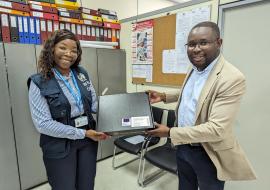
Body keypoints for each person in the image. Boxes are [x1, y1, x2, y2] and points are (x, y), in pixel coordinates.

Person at [147, 21, 256, 190]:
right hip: (182, 146)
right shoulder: (195, 67)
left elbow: (216, 129)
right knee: (185, 186)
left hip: (208, 152)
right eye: (191, 44)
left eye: (203, 43)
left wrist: (169, 132)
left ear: (219, 43)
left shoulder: (232, 78)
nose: (196, 49)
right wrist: (163, 96)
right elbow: (193, 95)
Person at [27, 29, 109, 190]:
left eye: (74, 50)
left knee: (86, 184)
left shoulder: (81, 74)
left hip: (87, 140)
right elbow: (43, 124)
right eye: (63, 48)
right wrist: (82, 133)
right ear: (51, 49)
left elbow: (94, 105)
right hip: (59, 143)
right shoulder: (39, 82)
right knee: (64, 186)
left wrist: (118, 108)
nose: (69, 54)